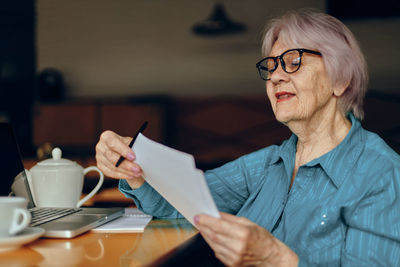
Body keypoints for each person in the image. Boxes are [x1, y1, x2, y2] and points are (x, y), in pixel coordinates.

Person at [95, 9, 400, 266]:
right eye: (271, 66)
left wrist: (275, 258)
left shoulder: (381, 174)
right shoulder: (266, 165)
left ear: (341, 79)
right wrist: (133, 164)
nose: (277, 76)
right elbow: (180, 203)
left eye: (294, 61)